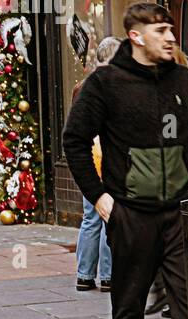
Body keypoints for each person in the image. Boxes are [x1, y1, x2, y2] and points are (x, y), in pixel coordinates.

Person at [62, 3, 188, 319]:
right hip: (130, 215)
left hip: (178, 214)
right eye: (160, 30)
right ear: (136, 35)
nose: (170, 37)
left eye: (170, 29)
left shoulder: (184, 79)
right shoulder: (106, 84)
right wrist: (101, 199)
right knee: (128, 306)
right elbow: (74, 140)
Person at [73, 36, 122, 293]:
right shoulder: (114, 86)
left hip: (88, 160)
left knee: (90, 218)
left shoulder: (82, 87)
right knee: (108, 217)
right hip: (107, 159)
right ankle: (107, 275)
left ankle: (84, 274)